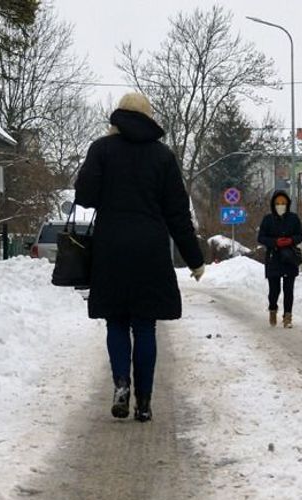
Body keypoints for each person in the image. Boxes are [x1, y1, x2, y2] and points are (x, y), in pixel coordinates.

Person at [73, 92, 206, 423]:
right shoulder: (163, 157)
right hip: (149, 249)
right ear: (149, 117)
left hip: (110, 248)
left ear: (117, 117)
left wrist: (98, 167)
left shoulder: (101, 150)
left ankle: (121, 382)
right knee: (145, 326)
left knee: (116, 321)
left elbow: (85, 197)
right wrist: (195, 259)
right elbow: (177, 214)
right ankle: (144, 401)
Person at [257, 190, 302, 328]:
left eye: (283, 203)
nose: (280, 205)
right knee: (274, 290)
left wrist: (290, 240)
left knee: (289, 290)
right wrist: (275, 242)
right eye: (278, 203)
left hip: (290, 258)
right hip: (273, 258)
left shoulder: (293, 218)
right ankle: (273, 309)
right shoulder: (268, 219)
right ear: (273, 204)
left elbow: (300, 235)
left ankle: (287, 317)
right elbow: (261, 237)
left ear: (287, 204)